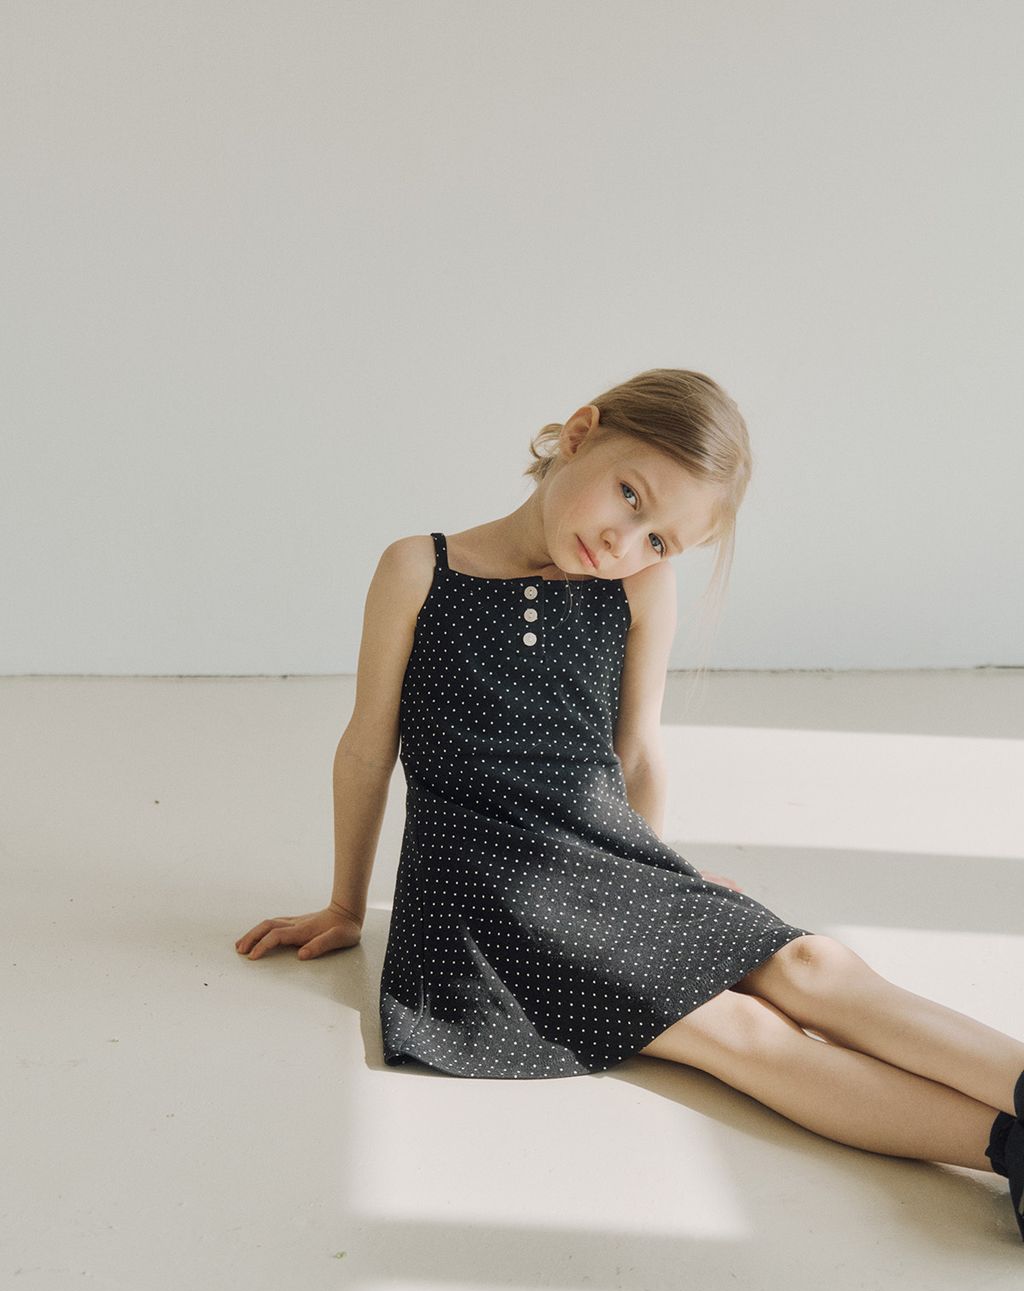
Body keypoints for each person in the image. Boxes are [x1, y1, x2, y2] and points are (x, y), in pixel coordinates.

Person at [235, 367, 1024, 1241]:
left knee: (811, 963)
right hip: (488, 895)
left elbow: (638, 750)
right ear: (577, 435)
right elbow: (365, 749)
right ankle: (1007, 1152)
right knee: (738, 1032)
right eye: (630, 496)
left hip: (601, 856)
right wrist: (347, 904)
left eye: (658, 540)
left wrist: (662, 875)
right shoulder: (420, 569)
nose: (624, 543)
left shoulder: (637, 588)